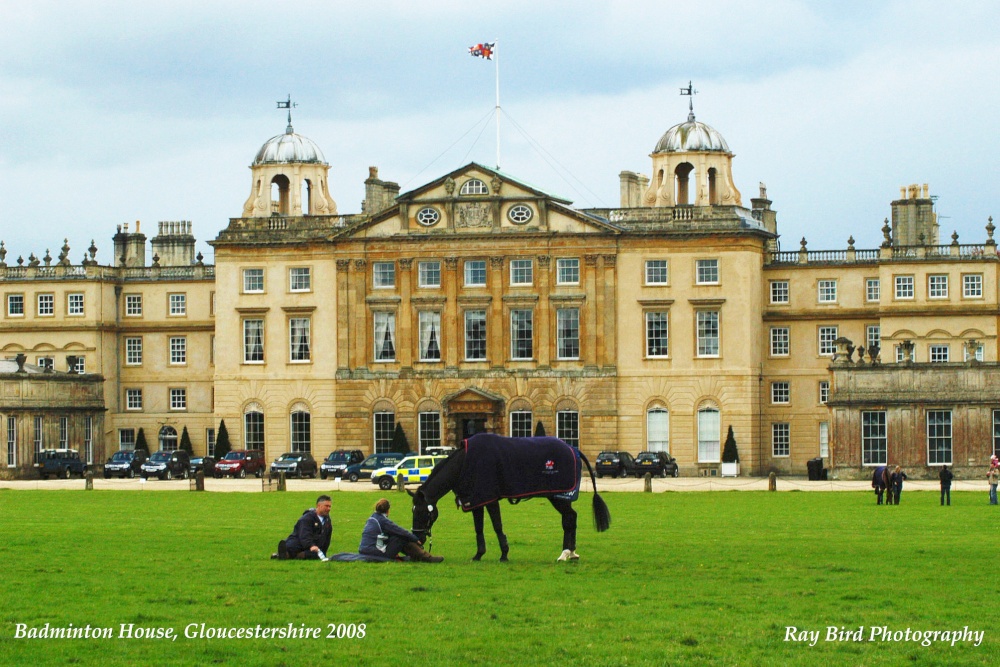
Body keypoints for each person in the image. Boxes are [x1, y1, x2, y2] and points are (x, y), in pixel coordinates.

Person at [359, 498, 443, 562]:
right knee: (401, 538)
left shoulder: (372, 518)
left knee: (396, 537)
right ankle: (427, 558)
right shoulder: (383, 521)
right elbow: (400, 531)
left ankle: (419, 556)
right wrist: (415, 539)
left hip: (364, 550)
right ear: (388, 510)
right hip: (375, 552)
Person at [274, 495, 333, 560]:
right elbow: (304, 535)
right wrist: (311, 545)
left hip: (313, 546)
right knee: (292, 547)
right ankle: (284, 553)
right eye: (326, 506)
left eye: (330, 506)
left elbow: (327, 538)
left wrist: (323, 552)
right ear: (318, 505)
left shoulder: (327, 520)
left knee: (316, 554)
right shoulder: (307, 518)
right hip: (299, 542)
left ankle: (288, 555)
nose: (329, 508)